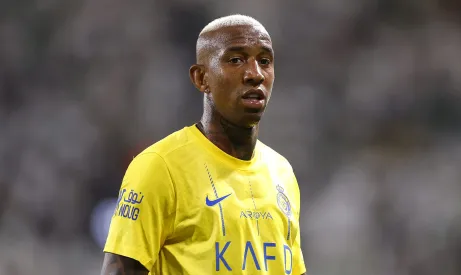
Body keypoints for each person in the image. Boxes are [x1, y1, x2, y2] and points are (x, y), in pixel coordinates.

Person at [100, 14, 307, 275]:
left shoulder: (282, 172)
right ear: (201, 78)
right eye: (236, 60)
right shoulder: (160, 167)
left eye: (264, 61)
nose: (255, 74)